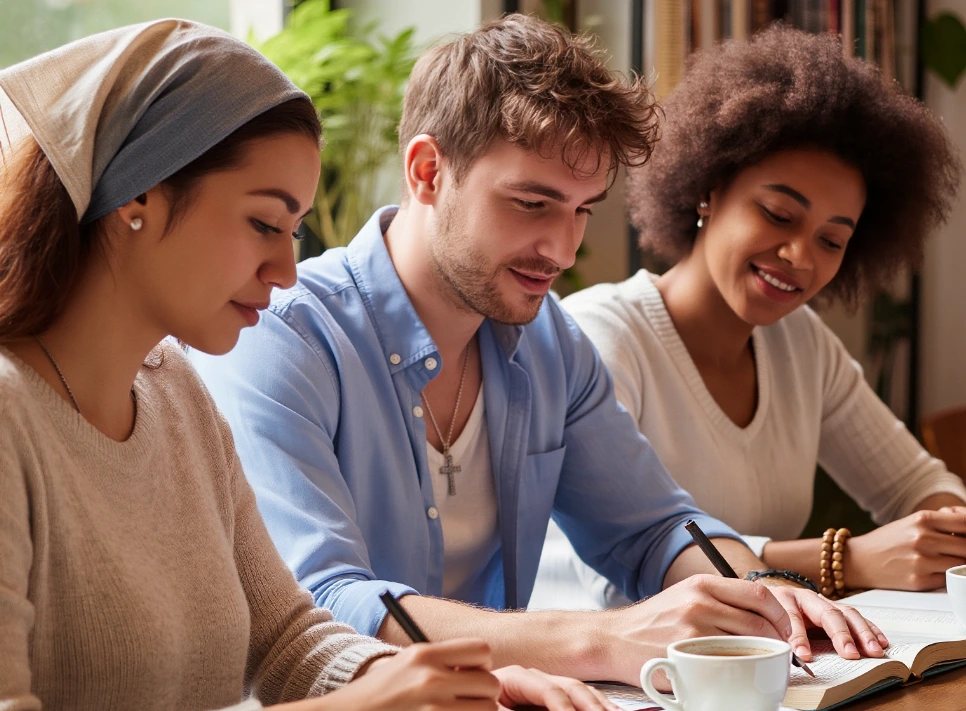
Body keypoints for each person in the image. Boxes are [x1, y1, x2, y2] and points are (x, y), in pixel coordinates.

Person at [188, 14, 887, 688]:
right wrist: (602, 639)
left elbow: (654, 526)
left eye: (582, 209)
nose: (563, 249)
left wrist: (763, 593)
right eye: (532, 203)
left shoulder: (550, 341)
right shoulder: (281, 337)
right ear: (428, 171)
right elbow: (324, 605)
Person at [0, 19, 611, 711]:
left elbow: (288, 638)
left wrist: (460, 684)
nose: (287, 270)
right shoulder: (11, 417)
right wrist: (361, 705)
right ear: (139, 195)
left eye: (294, 233)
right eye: (265, 223)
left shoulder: (179, 400)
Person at [540, 25, 966, 612]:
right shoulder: (600, 334)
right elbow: (620, 572)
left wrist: (945, 526)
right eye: (777, 213)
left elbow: (914, 485)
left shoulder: (800, 346)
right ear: (709, 189)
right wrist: (841, 559)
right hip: (614, 678)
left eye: (832, 240)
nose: (801, 256)